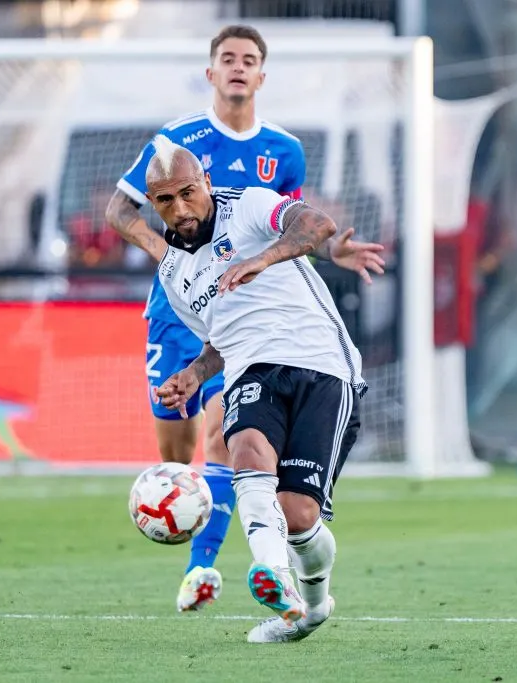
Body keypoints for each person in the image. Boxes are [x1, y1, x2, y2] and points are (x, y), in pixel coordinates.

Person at [144, 136, 382, 643]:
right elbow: (216, 341)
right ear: (154, 205)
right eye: (166, 200)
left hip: (322, 363)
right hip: (250, 370)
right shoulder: (173, 273)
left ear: (205, 181)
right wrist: (193, 373)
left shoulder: (248, 203)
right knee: (245, 449)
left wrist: (264, 258)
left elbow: (317, 225)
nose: (181, 208)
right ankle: (273, 576)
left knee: (299, 514)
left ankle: (313, 607)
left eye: (189, 192)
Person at [104, 24, 307, 612]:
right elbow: (120, 209)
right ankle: (188, 518)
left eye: (249, 60)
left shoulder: (286, 152)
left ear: (261, 76)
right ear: (211, 73)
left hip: (240, 313)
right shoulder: (178, 140)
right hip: (175, 309)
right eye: (228, 59)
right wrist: (164, 253)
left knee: (222, 438)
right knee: (177, 448)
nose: (238, 67)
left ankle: (201, 571)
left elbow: (290, 225)